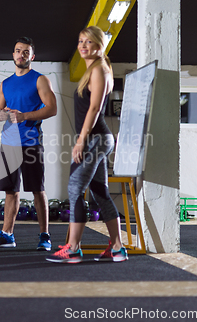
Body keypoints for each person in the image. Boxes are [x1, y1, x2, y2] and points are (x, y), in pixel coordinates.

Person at [46, 26, 128, 264]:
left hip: (95, 139)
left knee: (74, 188)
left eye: (89, 42)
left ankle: (73, 248)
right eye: (81, 41)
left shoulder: (100, 70)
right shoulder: (94, 69)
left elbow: (94, 108)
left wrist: (81, 141)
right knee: (100, 192)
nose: (83, 46)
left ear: (100, 46)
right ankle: (117, 248)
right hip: (96, 139)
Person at [0, 37, 57, 251]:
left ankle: (45, 236)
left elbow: (52, 109)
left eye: (26, 52)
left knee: (37, 190)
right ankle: (7, 234)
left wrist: (24, 116)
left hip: (31, 143)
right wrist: (2, 114)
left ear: (32, 57)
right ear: (13, 54)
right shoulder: (5, 84)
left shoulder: (40, 80)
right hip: (9, 143)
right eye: (18, 51)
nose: (21, 55)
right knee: (10, 191)